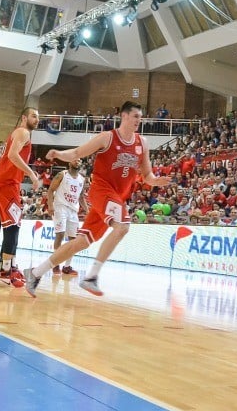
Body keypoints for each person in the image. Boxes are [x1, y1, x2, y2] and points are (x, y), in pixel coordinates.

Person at [24, 101, 169, 297]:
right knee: (123, 225)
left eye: (140, 118)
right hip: (101, 191)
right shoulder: (107, 138)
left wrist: (156, 181)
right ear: (124, 116)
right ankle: (91, 276)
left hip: (116, 198)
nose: (139, 121)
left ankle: (35, 273)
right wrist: (58, 154)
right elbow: (76, 153)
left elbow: (148, 175)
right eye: (135, 116)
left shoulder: (142, 143)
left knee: (81, 242)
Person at [0, 107, 42, 285]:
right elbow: (13, 155)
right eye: (34, 116)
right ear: (24, 118)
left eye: (38, 117)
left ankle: (11, 265)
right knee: (12, 226)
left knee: (15, 225)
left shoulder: (21, 133)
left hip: (9, 183)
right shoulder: (23, 132)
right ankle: (5, 271)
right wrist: (32, 174)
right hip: (6, 183)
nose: (37, 119)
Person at [45, 160, 87, 276]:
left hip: (73, 210)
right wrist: (50, 205)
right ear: (70, 163)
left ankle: (67, 267)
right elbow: (50, 190)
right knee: (60, 234)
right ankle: (55, 264)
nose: (78, 161)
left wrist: (88, 211)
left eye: (80, 160)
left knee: (74, 240)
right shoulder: (62, 175)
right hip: (61, 207)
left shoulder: (82, 179)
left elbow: (81, 197)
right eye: (75, 159)